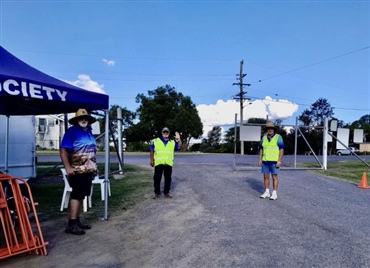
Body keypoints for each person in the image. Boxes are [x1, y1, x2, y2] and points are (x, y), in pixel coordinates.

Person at [60, 108, 97, 235]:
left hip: (88, 169)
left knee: (82, 195)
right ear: (76, 120)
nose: (83, 120)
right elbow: (63, 150)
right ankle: (71, 224)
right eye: (81, 118)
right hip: (77, 170)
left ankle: (77, 220)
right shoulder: (72, 132)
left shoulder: (89, 131)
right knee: (76, 195)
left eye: (85, 118)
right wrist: (68, 167)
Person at [150, 127, 182, 199]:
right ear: (162, 133)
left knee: (168, 178)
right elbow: (151, 150)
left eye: (167, 132)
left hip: (168, 163)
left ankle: (166, 193)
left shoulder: (172, 142)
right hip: (159, 163)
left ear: (169, 133)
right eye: (164, 132)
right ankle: (157, 193)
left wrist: (179, 139)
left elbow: (179, 147)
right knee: (157, 178)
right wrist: (152, 160)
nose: (165, 134)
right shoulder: (155, 141)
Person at [258, 122, 284, 200]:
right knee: (265, 176)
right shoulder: (264, 138)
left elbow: (281, 149)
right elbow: (261, 149)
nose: (269, 130)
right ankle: (267, 192)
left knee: (274, 177)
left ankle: (274, 193)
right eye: (268, 129)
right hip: (265, 161)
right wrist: (260, 159)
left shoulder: (278, 137)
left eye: (271, 129)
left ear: (273, 130)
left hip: (274, 162)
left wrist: (279, 161)